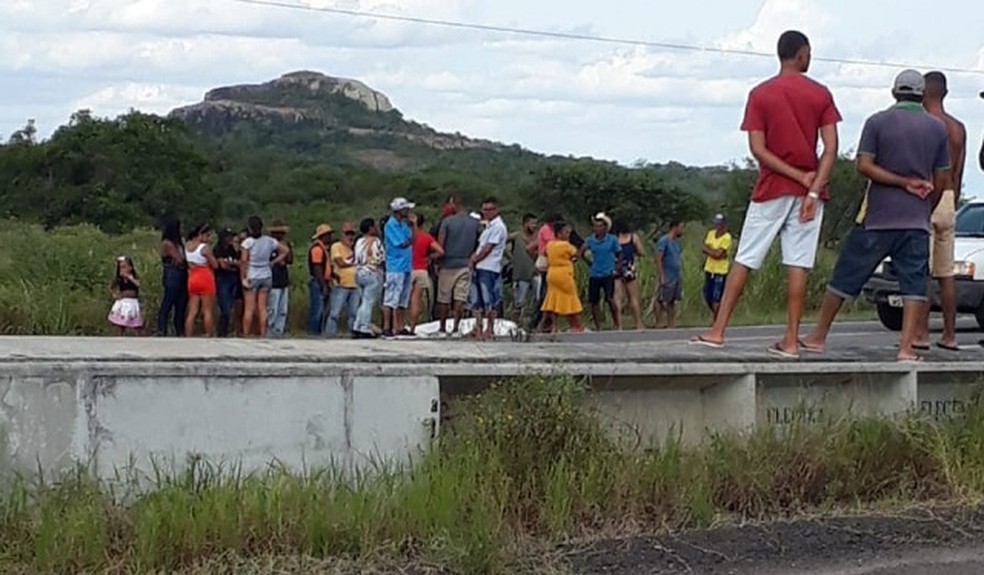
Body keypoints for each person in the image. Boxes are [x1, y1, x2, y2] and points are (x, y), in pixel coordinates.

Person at [693, 30, 841, 354]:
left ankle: (718, 330)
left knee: (745, 258)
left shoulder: (760, 94)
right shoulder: (820, 94)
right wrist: (813, 188)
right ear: (801, 54)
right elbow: (830, 149)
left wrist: (796, 175)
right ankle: (791, 339)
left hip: (772, 188)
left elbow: (758, 149)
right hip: (809, 196)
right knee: (798, 263)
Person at [800, 70, 949, 362]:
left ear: (894, 93)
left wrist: (899, 182)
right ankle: (906, 347)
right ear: (922, 96)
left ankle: (818, 336)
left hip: (878, 216)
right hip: (915, 219)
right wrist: (923, 202)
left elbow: (864, 166)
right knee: (914, 284)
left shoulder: (877, 122)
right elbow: (942, 178)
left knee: (846, 275)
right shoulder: (937, 129)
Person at [915, 71, 967, 352]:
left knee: (921, 270)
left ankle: (920, 333)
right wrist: (952, 199)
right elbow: (957, 174)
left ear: (923, 93)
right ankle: (950, 334)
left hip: (926, 196)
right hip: (949, 198)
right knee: (946, 273)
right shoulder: (957, 127)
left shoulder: (924, 124)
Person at [437, 196, 481, 336]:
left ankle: (443, 328)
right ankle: (456, 327)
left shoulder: (447, 222)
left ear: (454, 204)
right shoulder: (475, 223)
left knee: (444, 298)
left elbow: (440, 245)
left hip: (448, 264)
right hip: (465, 263)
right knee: (460, 298)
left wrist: (437, 262)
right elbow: (480, 242)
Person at [240, 216, 290, 338]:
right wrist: (273, 262)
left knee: (249, 308)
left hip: (253, 274)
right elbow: (285, 250)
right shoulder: (269, 241)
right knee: (262, 308)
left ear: (250, 228)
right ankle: (263, 333)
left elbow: (243, 261)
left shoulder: (248, 242)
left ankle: (246, 334)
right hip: (266, 274)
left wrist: (243, 277)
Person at [468, 197, 508, 340]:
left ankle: (489, 329)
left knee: (489, 300)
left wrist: (474, 259)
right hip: (480, 266)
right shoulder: (488, 226)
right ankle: (478, 328)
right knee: (476, 300)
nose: (487, 212)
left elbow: (487, 249)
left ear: (496, 210)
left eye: (490, 209)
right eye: (485, 209)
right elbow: (480, 246)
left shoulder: (498, 227)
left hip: (489, 267)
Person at [579, 212, 622, 331]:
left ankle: (616, 323)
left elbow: (620, 253)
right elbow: (581, 251)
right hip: (595, 273)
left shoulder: (612, 239)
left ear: (605, 228)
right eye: (595, 226)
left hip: (608, 272)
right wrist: (588, 262)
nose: (596, 229)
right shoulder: (591, 240)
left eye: (599, 226)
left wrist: (617, 267)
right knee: (594, 301)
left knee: (610, 298)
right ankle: (598, 325)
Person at [540, 222, 585, 334]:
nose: (568, 235)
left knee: (553, 298)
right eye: (566, 232)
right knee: (571, 298)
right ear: (559, 234)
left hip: (552, 273)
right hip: (564, 274)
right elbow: (575, 254)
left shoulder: (550, 245)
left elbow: (544, 253)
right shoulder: (566, 245)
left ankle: (554, 326)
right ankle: (578, 325)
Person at [383, 198, 416, 339]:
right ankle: (387, 327)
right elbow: (402, 243)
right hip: (395, 266)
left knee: (403, 298)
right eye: (405, 209)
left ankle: (400, 326)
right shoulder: (391, 225)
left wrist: (414, 225)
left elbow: (413, 239)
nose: (408, 211)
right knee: (391, 297)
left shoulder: (403, 225)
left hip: (406, 265)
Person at [409, 213, 444, 334]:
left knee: (402, 300)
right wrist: (429, 257)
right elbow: (440, 251)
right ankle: (413, 327)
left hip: (407, 269)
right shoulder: (426, 237)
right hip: (421, 270)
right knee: (416, 299)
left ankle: (398, 326)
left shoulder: (407, 237)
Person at [353, 217, 385, 339]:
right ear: (370, 228)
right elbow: (380, 258)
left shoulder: (359, 241)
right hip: (372, 272)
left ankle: (357, 325)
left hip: (359, 272)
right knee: (369, 302)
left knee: (363, 301)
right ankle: (365, 327)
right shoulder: (376, 241)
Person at [327, 222, 361, 336]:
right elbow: (340, 262)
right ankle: (330, 334)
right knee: (334, 313)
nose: (350, 236)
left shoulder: (356, 248)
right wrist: (355, 263)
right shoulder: (336, 246)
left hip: (355, 284)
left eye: (352, 234)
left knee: (354, 313)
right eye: (347, 234)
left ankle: (352, 333)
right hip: (341, 284)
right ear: (342, 234)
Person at [184, 224, 218, 337]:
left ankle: (188, 334)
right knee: (207, 310)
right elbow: (215, 265)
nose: (208, 238)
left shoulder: (187, 246)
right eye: (207, 235)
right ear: (200, 235)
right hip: (204, 276)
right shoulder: (204, 248)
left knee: (192, 311)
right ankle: (209, 333)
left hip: (192, 277)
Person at [156, 217, 187, 336]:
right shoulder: (168, 243)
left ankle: (179, 329)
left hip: (181, 273)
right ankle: (162, 329)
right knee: (168, 301)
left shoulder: (180, 242)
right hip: (172, 273)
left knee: (181, 303)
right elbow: (179, 259)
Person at [612, 220, 646, 330]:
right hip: (629, 268)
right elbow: (641, 252)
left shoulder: (614, 238)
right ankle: (638, 323)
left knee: (618, 297)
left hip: (616, 268)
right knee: (633, 297)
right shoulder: (633, 237)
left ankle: (619, 325)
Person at [531, 213, 560, 331]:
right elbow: (550, 246)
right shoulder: (546, 230)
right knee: (545, 295)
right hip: (547, 262)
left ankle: (545, 322)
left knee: (549, 294)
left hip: (551, 263)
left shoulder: (549, 230)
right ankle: (537, 321)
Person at [654, 221, 685, 329]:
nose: (682, 230)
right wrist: (661, 274)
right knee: (661, 299)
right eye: (681, 227)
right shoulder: (664, 241)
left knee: (672, 300)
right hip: (667, 274)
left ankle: (671, 323)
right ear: (675, 227)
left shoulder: (676, 242)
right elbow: (658, 258)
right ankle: (659, 321)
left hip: (675, 274)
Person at [508, 213, 538, 322]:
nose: (534, 226)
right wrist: (510, 257)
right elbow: (501, 243)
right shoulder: (517, 236)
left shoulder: (537, 237)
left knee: (537, 299)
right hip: (520, 274)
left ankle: (532, 323)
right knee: (518, 302)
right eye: (532, 223)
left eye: (535, 224)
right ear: (525, 224)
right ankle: (515, 323)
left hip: (535, 273)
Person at [702, 214, 733, 320]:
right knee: (707, 295)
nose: (717, 226)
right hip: (709, 269)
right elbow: (705, 248)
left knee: (716, 297)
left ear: (724, 225)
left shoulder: (727, 237)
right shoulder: (711, 234)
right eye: (716, 223)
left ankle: (717, 320)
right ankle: (717, 316)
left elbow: (719, 254)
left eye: (719, 223)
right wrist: (714, 252)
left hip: (720, 271)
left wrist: (711, 251)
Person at [267, 219, 293, 338]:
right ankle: (270, 329)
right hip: (273, 279)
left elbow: (290, 260)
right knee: (273, 308)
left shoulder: (286, 245)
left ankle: (279, 330)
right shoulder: (269, 245)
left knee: (283, 309)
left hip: (283, 279)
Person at [213, 229, 241, 337]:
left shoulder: (233, 249)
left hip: (233, 278)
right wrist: (232, 264)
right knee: (224, 308)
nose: (230, 239)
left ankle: (226, 330)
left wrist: (230, 264)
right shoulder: (218, 249)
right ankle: (221, 331)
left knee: (230, 306)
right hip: (222, 279)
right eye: (228, 237)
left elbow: (240, 263)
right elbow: (222, 265)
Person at [307, 224, 333, 336]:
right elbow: (317, 268)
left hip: (322, 281)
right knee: (317, 310)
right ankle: (314, 333)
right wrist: (323, 285)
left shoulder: (322, 248)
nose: (330, 237)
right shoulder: (317, 249)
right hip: (318, 282)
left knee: (321, 309)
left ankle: (318, 331)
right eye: (328, 235)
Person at [108, 255, 143, 336]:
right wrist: (114, 294)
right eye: (121, 267)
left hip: (132, 302)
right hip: (123, 302)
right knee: (120, 324)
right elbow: (111, 287)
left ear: (130, 268)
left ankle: (141, 338)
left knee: (136, 324)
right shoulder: (119, 279)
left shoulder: (133, 278)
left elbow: (139, 284)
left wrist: (130, 278)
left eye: (124, 267)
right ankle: (119, 337)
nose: (122, 270)